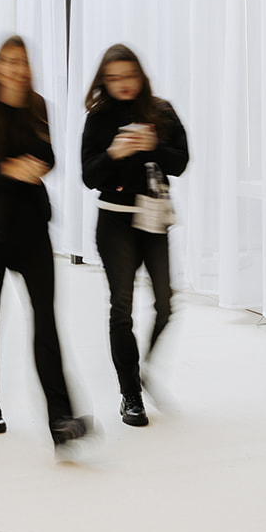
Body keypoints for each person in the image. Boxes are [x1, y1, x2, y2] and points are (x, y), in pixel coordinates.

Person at [0, 36, 90, 451]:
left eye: (22, 62)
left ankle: (61, 419)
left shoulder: (39, 108)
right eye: (8, 61)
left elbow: (49, 157)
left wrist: (38, 167)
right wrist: (7, 171)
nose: (16, 69)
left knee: (46, 322)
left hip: (33, 231)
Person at [81, 44, 189, 426]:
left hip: (154, 221)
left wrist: (152, 146)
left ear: (140, 76)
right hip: (114, 222)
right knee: (121, 309)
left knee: (166, 304)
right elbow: (89, 176)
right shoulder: (98, 118)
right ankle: (130, 393)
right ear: (103, 81)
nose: (122, 84)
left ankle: (142, 369)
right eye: (113, 78)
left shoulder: (161, 111)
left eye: (128, 76)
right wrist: (113, 153)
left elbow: (181, 162)